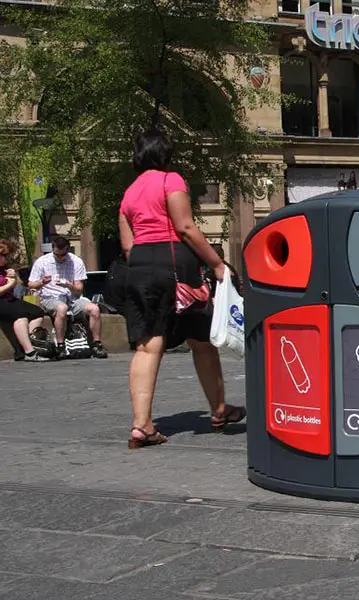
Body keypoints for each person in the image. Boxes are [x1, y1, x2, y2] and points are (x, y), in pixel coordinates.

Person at [118, 129, 246, 449]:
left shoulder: (129, 193)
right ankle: (218, 410)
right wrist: (217, 264)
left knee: (147, 345)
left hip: (140, 266)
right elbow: (185, 228)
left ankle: (141, 424)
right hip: (174, 263)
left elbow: (128, 246)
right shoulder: (170, 180)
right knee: (202, 340)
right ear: (165, 154)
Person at [27, 236, 108, 359]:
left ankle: (97, 344)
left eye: (63, 254)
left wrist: (70, 286)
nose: (60, 258)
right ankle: (61, 345)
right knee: (62, 308)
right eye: (57, 255)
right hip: (50, 298)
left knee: (94, 309)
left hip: (72, 298)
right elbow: (31, 284)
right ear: (52, 249)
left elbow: (79, 288)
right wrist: (42, 282)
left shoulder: (76, 261)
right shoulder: (42, 262)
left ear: (68, 249)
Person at [0, 239, 49, 361]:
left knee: (38, 312)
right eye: (5, 256)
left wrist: (14, 276)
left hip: (10, 300)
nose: (7, 259)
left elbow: (21, 284)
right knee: (21, 317)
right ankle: (29, 352)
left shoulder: (5, 269)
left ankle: (32, 342)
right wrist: (10, 284)